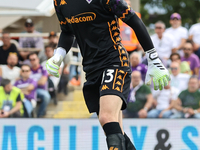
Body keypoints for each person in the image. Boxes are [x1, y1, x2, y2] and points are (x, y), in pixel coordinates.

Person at [46, 0, 170, 149]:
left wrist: (153, 58)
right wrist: (58, 54)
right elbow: (67, 31)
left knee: (106, 117)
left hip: (114, 60)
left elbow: (134, 19)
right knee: (116, 131)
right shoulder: (59, 2)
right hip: (91, 69)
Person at [28, 52, 50, 117]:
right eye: (30, 60)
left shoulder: (43, 68)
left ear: (38, 59)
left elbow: (43, 81)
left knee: (46, 97)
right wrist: (37, 82)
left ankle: (39, 115)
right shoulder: (27, 69)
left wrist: (32, 83)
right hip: (30, 90)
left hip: (40, 89)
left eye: (34, 59)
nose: (32, 61)